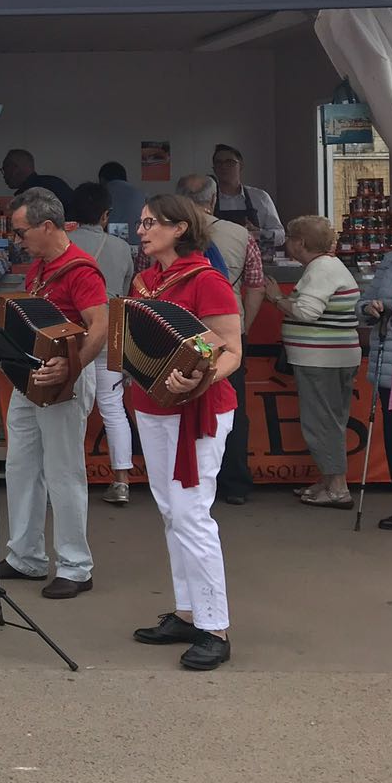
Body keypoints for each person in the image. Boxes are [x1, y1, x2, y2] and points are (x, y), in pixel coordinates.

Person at [127, 194, 243, 672]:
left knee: (192, 514)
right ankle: (187, 612)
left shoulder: (207, 281)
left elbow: (231, 352)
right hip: (152, 407)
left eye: (150, 222)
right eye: (141, 222)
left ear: (179, 228)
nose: (141, 230)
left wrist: (201, 377)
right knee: (172, 511)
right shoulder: (147, 281)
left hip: (199, 412)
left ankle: (215, 627)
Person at [0, 189, 108, 598]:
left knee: (63, 472)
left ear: (47, 226)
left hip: (62, 379)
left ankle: (75, 566)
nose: (18, 240)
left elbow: (100, 326)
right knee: (21, 466)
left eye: (22, 232)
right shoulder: (41, 268)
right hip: (30, 378)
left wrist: (72, 368)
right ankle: (26, 555)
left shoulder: (81, 270)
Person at [176, 174, 266, 506]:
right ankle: (235, 483)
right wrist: (242, 326)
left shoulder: (167, 232)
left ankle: (187, 480)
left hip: (181, 331)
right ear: (213, 200)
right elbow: (255, 285)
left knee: (176, 400)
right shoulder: (241, 235)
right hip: (227, 333)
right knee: (229, 405)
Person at [266, 216, 360, 508]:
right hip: (333, 356)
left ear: (301, 243)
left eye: (291, 238)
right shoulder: (327, 267)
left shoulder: (321, 269)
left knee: (321, 422)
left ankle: (337, 488)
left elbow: (307, 312)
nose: (287, 243)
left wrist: (276, 298)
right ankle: (328, 480)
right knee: (331, 419)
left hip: (322, 359)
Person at [68, 182, 137, 503]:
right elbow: (125, 295)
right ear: (106, 215)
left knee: (70, 411)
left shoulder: (64, 243)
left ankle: (68, 484)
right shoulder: (122, 248)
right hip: (110, 334)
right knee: (113, 408)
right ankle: (121, 481)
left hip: (72, 336)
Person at [357, 244, 392, 530]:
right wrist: (369, 308)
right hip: (390, 365)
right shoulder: (390, 259)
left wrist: (391, 304)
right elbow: (363, 303)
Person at [211, 144, 285, 248]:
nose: (223, 166)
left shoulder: (260, 197)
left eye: (230, 162)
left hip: (255, 261)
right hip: (217, 261)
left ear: (241, 166)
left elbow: (281, 236)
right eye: (219, 163)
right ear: (214, 169)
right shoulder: (208, 199)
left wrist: (258, 234)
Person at [0, 149, 72, 202]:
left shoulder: (29, 195)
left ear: (14, 169)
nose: (4, 175)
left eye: (5, 169)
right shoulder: (54, 183)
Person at [97, 162, 145, 233]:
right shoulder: (140, 194)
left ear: (102, 179)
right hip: (138, 241)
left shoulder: (102, 193)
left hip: (109, 241)